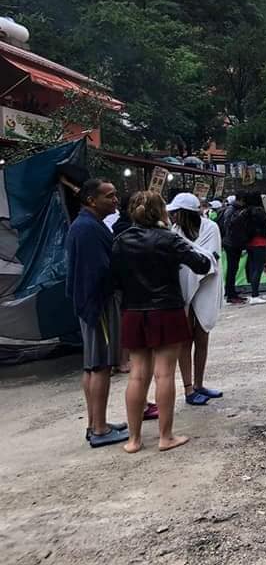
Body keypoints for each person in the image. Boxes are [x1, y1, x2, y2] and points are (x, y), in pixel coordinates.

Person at [112, 191, 212, 453]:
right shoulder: (169, 239)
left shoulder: (120, 240)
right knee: (164, 373)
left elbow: (112, 278)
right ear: (161, 212)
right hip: (166, 309)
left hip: (133, 311)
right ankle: (165, 437)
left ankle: (133, 440)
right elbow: (201, 264)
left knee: (137, 374)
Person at [65, 179, 128, 448]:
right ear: (92, 200)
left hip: (89, 303)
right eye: (109, 196)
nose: (115, 200)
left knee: (92, 364)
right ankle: (100, 429)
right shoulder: (88, 229)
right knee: (101, 365)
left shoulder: (86, 225)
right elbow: (99, 270)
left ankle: (95, 423)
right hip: (98, 305)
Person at [169, 193, 224, 407]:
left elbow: (210, 259)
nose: (173, 216)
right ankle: (188, 388)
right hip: (183, 290)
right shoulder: (174, 232)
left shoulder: (211, 228)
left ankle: (200, 384)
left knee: (202, 336)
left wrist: (190, 255)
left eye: (176, 212)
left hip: (207, 288)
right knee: (185, 339)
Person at [237, 191, 266, 305]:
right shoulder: (259, 211)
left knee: (253, 267)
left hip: (249, 243)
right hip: (260, 242)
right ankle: (255, 295)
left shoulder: (245, 212)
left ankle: (254, 292)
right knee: (258, 269)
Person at [221, 195, 245, 305]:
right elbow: (228, 226)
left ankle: (231, 291)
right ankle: (230, 294)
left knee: (233, 268)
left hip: (231, 243)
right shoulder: (232, 210)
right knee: (232, 268)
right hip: (231, 243)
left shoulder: (232, 209)